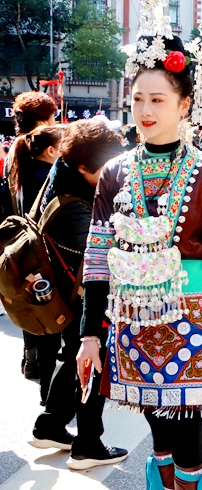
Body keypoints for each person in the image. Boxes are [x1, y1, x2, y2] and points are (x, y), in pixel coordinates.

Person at [77, 0, 202, 488]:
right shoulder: (114, 171)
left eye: (157, 100)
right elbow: (97, 256)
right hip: (131, 318)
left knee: (191, 438)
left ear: (184, 104)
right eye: (137, 100)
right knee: (160, 436)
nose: (145, 111)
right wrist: (89, 332)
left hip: (196, 313)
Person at [29, 120, 128, 468]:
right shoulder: (76, 205)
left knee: (73, 354)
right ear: (84, 166)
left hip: (64, 293)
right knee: (92, 360)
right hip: (81, 296)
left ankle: (51, 425)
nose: (113, 172)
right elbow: (97, 259)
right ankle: (87, 444)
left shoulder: (61, 176)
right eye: (105, 167)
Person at [10, 125, 64, 391]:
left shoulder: (22, 171)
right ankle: (50, 390)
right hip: (45, 255)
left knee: (37, 318)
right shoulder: (49, 176)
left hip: (26, 253)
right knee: (52, 325)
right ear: (51, 150)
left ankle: (38, 372)